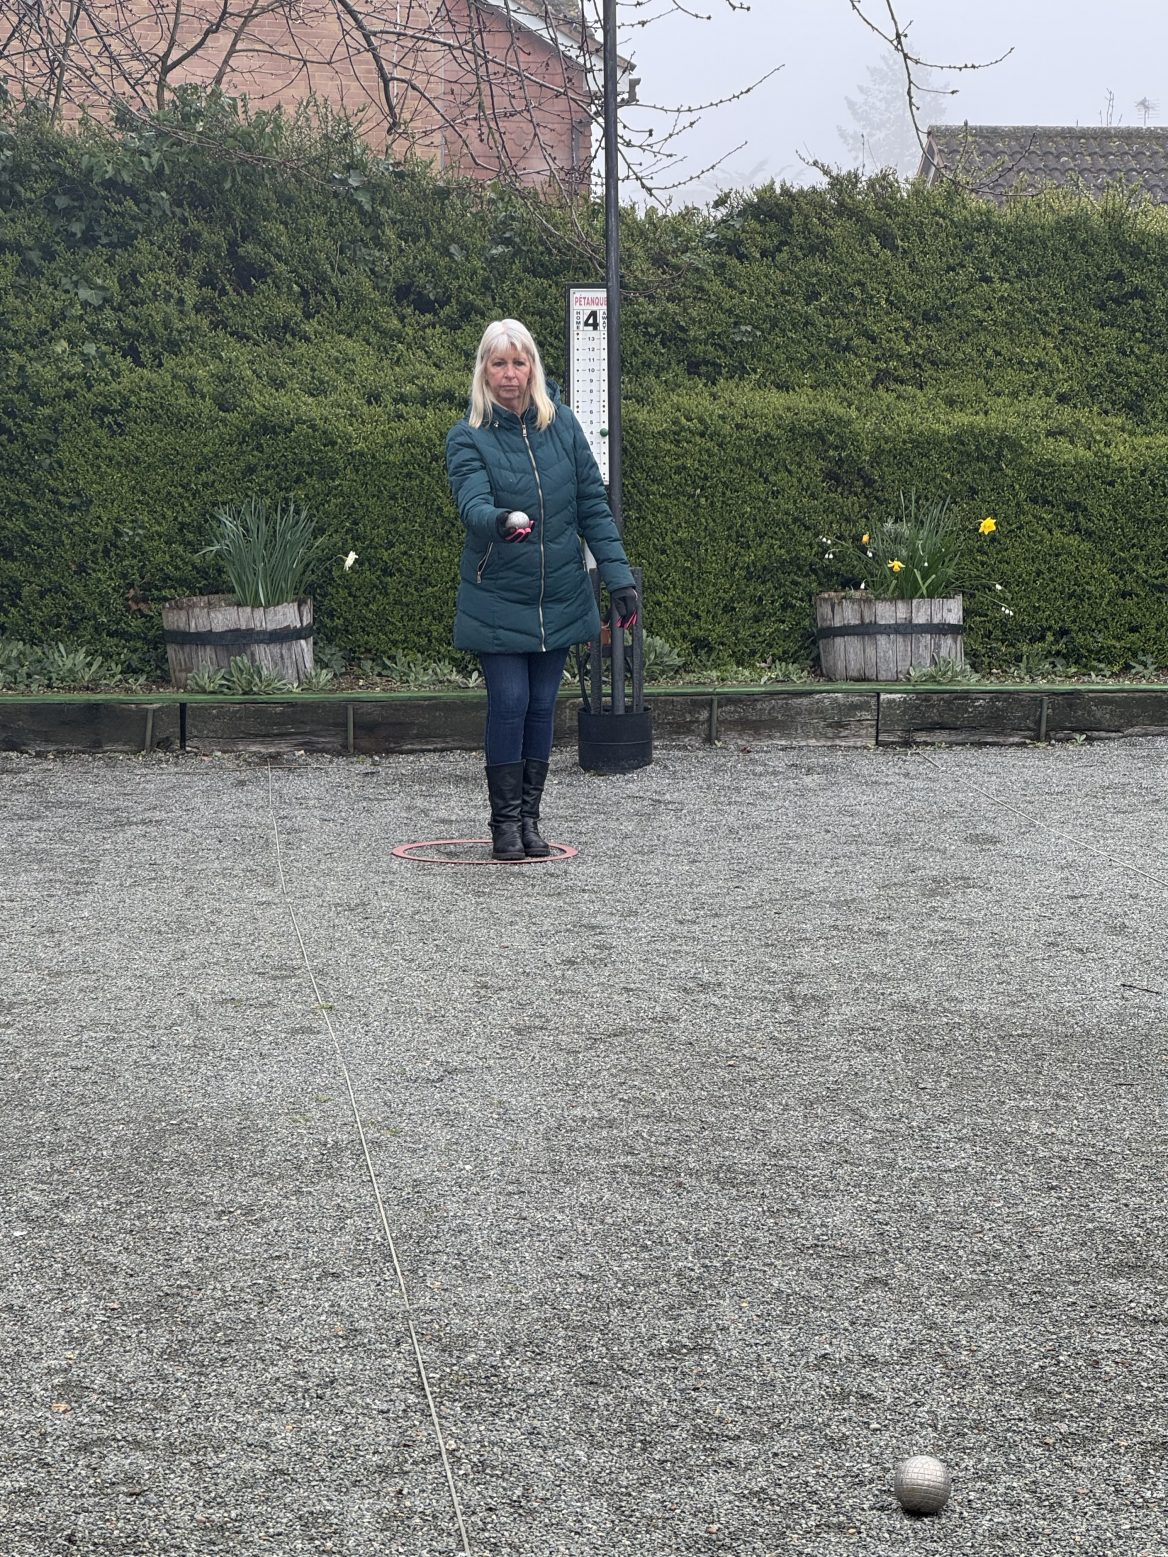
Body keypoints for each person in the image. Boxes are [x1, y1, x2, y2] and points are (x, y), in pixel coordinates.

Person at [446, 318, 639, 861]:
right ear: (484, 370)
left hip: (559, 595)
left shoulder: (564, 426)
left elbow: (593, 507)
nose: (510, 373)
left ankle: (530, 821)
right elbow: (471, 504)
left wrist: (618, 577)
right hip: (497, 598)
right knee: (510, 702)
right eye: (499, 363)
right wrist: (500, 520)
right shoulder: (467, 436)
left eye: (519, 361)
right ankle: (504, 825)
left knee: (541, 708)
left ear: (533, 367)